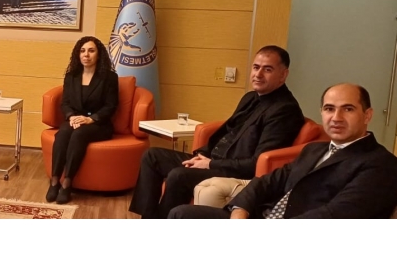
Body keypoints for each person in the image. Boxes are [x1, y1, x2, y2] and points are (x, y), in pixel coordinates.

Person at [169, 83, 397, 219]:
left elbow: (335, 215)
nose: (336, 117)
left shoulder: (381, 164)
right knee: (182, 214)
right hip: (261, 218)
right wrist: (240, 209)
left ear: (367, 115)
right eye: (329, 109)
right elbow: (268, 181)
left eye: (348, 109)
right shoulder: (314, 150)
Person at [128, 45, 305, 218]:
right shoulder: (250, 97)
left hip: (236, 171)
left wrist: (211, 164)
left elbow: (257, 163)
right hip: (215, 160)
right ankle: (149, 218)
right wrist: (202, 155)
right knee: (152, 156)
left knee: (178, 175)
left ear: (283, 75)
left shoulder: (284, 110)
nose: (258, 74)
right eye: (256, 67)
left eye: (267, 69)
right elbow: (226, 131)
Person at [46, 36, 119, 205]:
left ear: (99, 55)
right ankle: (55, 181)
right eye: (83, 51)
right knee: (63, 133)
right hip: (75, 120)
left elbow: (111, 106)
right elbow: (65, 103)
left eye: (91, 51)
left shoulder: (109, 78)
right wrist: (71, 116)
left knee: (79, 134)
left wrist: (91, 119)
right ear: (78, 54)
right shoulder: (71, 76)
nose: (86, 54)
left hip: (99, 124)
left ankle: (67, 183)